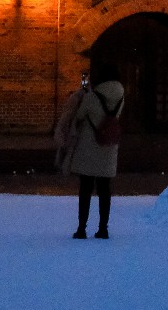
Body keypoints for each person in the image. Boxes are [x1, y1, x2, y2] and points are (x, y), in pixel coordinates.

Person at [63, 63, 124, 239]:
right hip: (108, 146)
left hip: (89, 146)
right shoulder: (121, 95)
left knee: (86, 188)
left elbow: (80, 115)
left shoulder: (93, 96)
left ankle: (82, 228)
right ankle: (103, 228)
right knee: (105, 189)